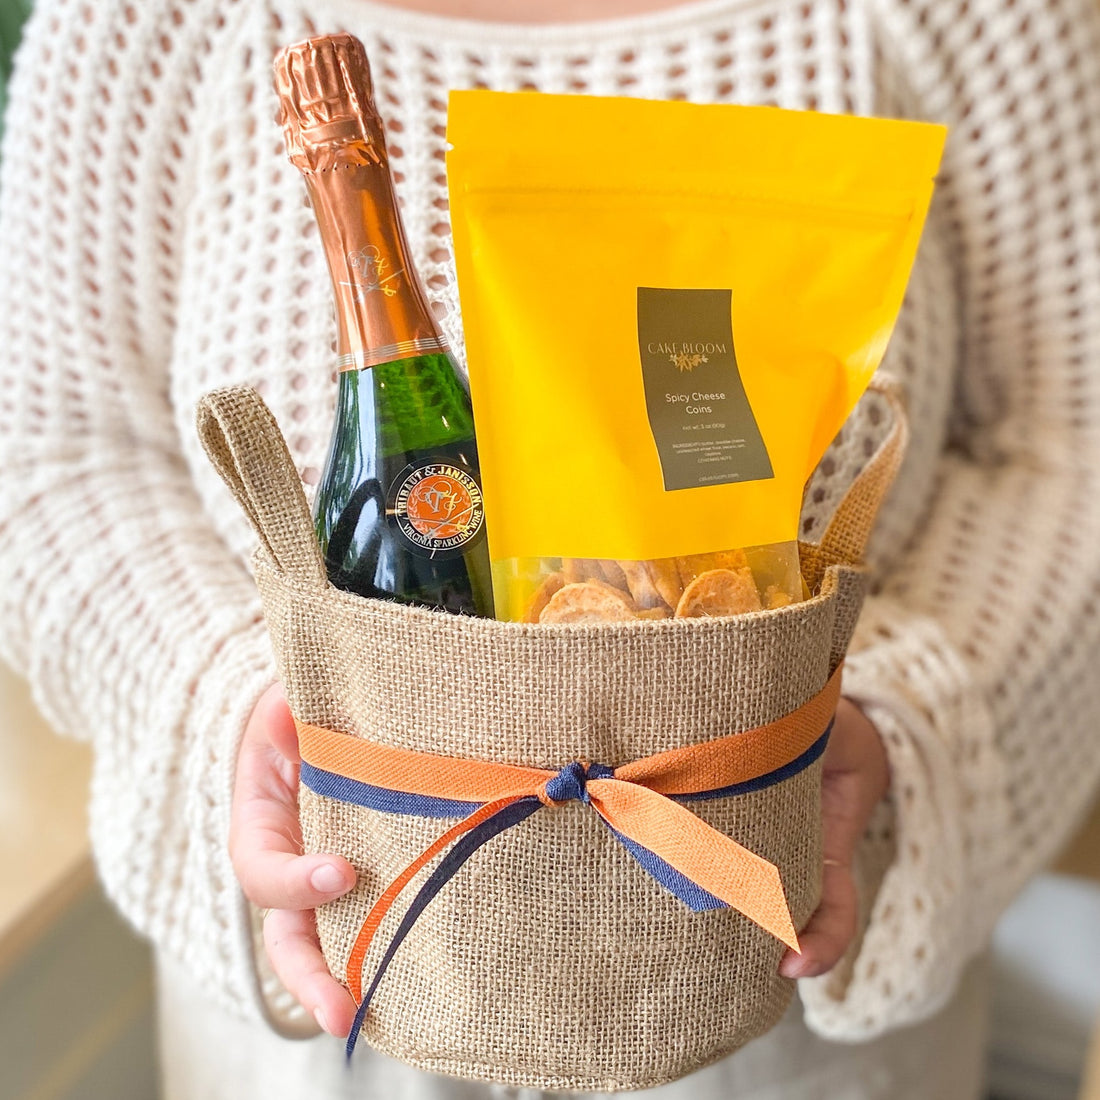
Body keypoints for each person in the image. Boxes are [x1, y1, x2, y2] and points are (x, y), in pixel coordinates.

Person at [0, 0, 1097, 1097]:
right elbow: (47, 452)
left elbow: (1070, 449)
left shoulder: (970, 19)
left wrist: (897, 729)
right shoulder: (148, 21)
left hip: (791, 1009)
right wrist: (243, 711)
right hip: (347, 983)